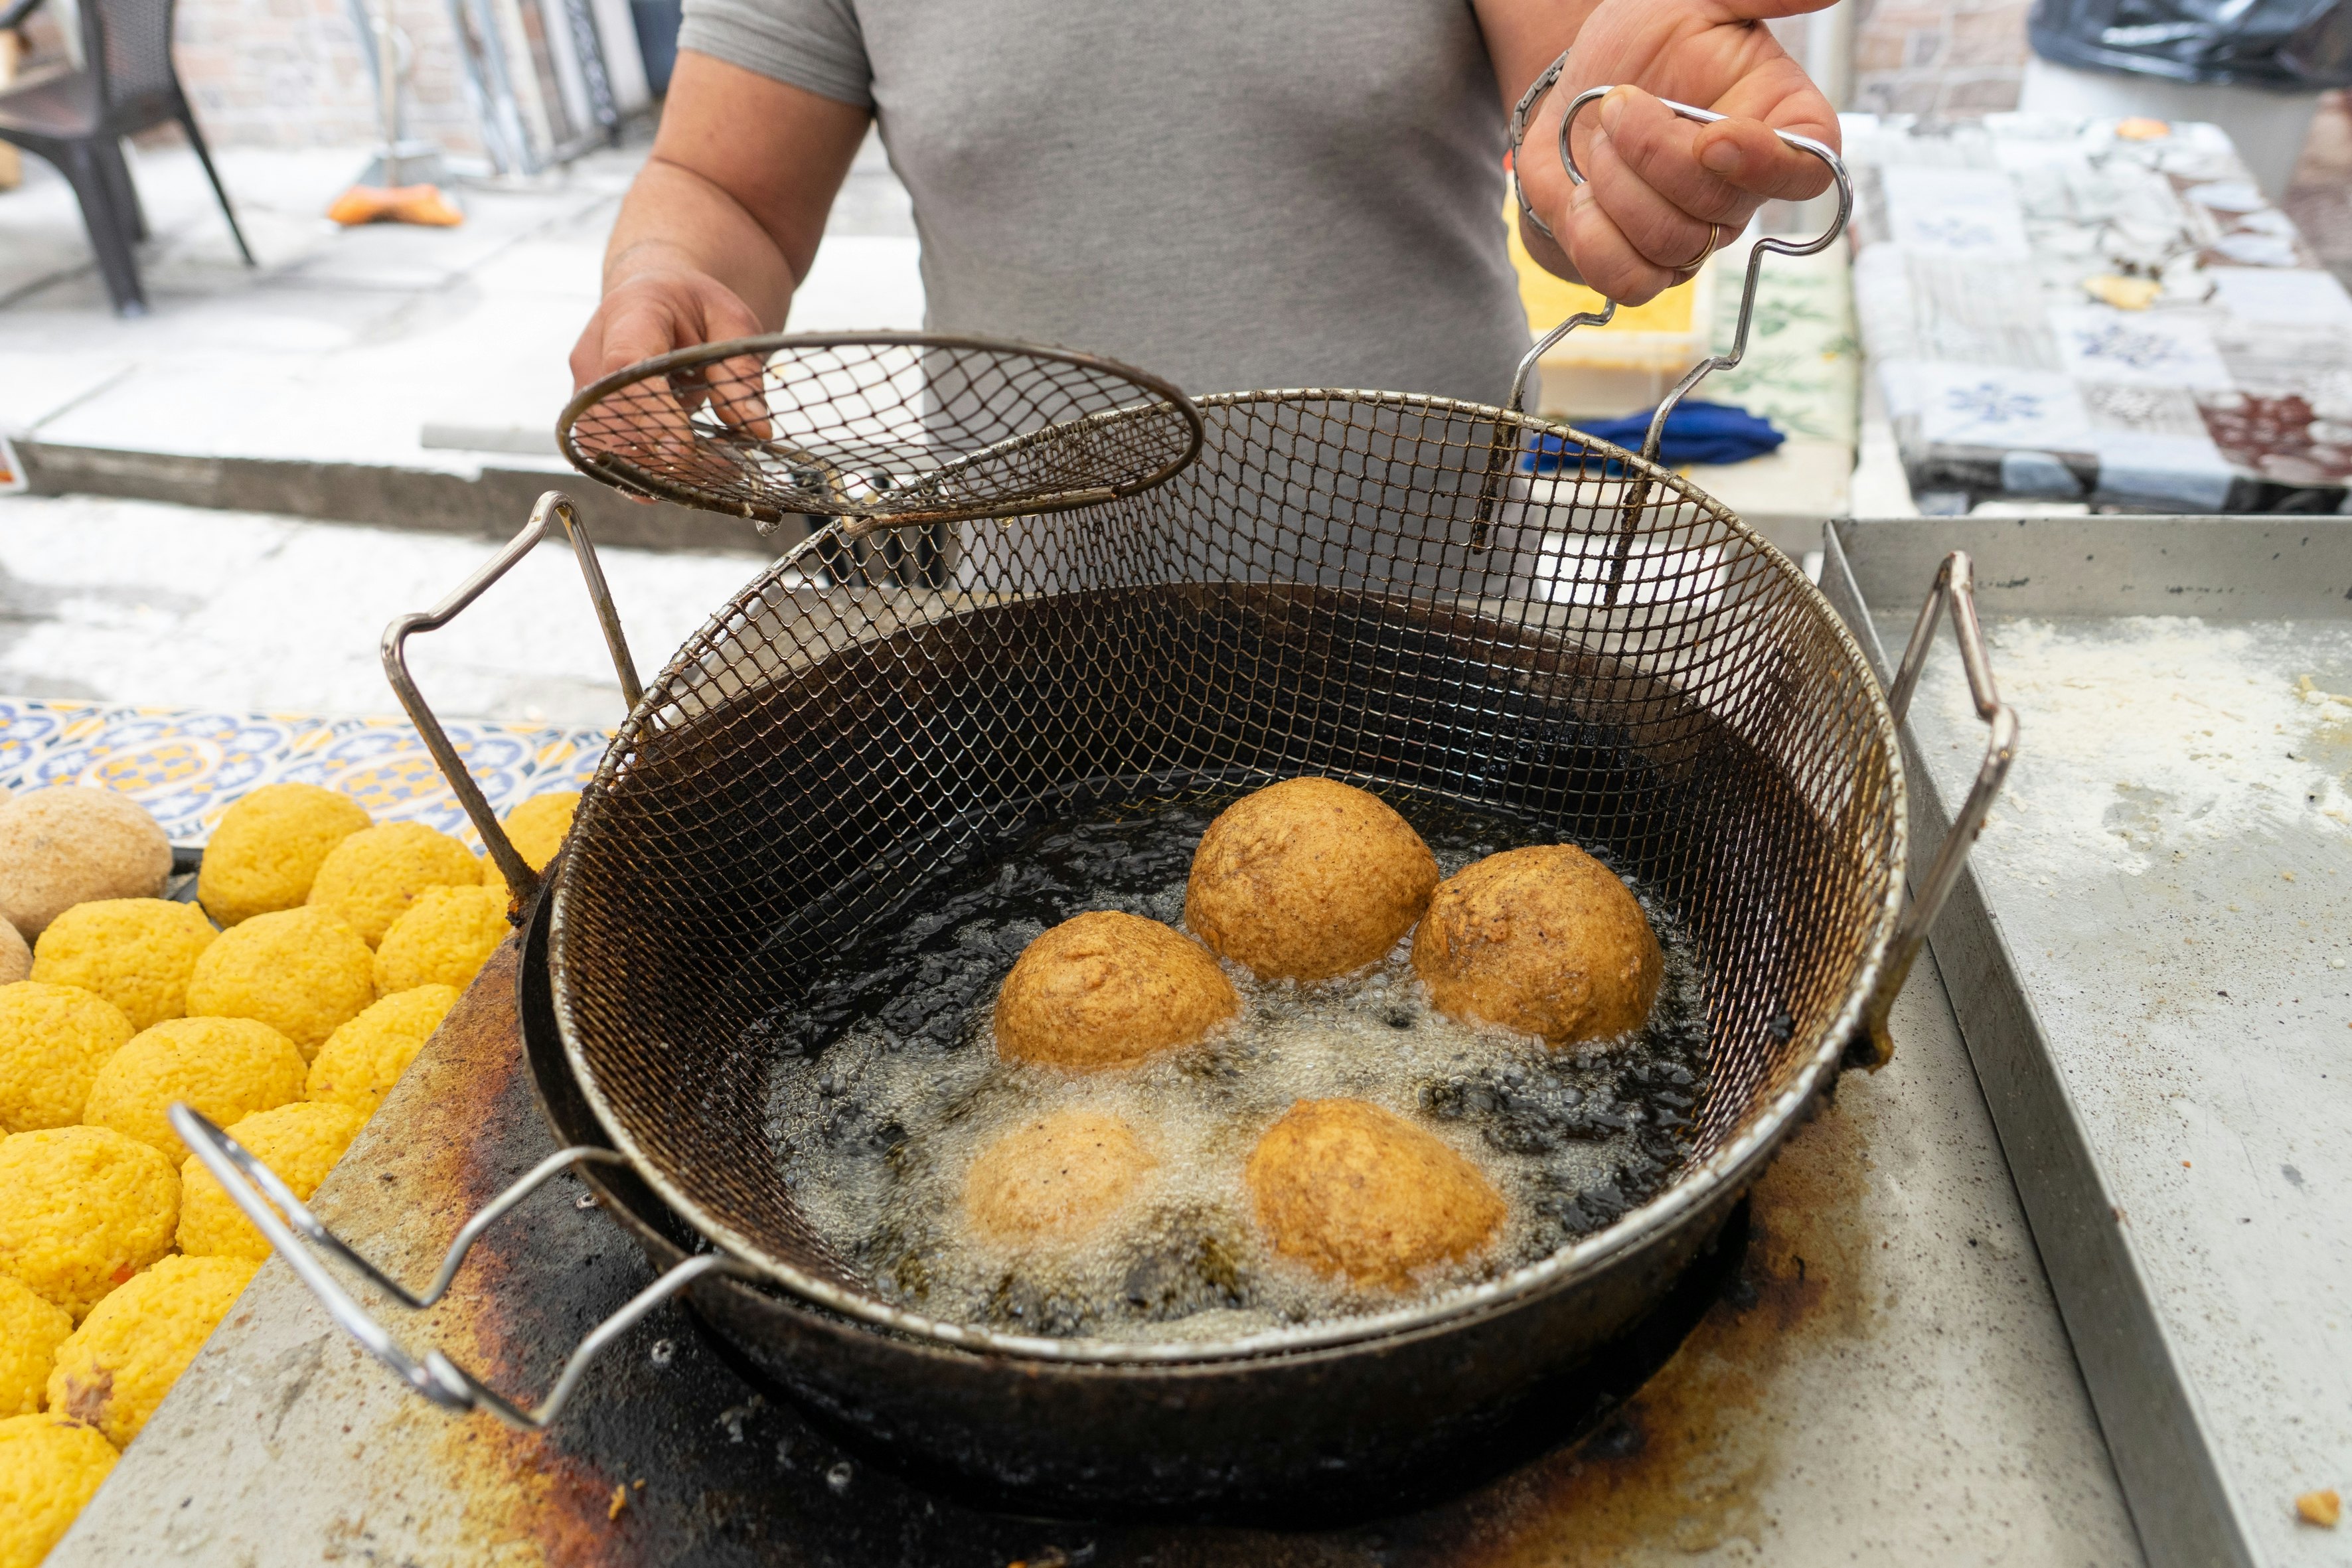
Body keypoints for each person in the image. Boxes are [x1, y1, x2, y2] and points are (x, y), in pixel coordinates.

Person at [568, 0, 1841, 409]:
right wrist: (664, 275)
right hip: (1027, 657)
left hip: (1439, 627)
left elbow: (1576, 109)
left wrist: (1630, 152)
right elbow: (721, 186)